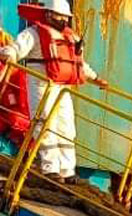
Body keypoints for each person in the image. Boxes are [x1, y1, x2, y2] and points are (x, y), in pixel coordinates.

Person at [0, 0, 108, 182]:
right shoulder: (33, 33)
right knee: (44, 125)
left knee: (67, 128)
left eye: (65, 17)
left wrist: (95, 78)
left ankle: (67, 170)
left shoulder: (70, 37)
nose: (63, 19)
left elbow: (79, 63)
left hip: (63, 88)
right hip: (41, 85)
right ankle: (51, 168)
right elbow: (17, 48)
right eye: (60, 15)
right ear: (48, 14)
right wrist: (9, 55)